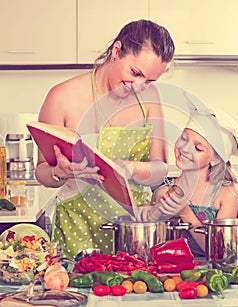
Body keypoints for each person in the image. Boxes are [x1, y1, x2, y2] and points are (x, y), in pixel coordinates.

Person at [35, 19, 175, 259]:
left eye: (150, 81)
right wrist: (61, 172)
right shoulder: (62, 97)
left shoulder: (151, 99)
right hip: (77, 228)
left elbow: (160, 169)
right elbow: (42, 172)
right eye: (135, 73)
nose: (139, 86)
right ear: (116, 51)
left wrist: (129, 168)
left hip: (135, 231)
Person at [137, 107, 238, 256]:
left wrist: (184, 211)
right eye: (183, 138)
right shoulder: (163, 192)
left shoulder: (226, 193)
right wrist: (149, 216)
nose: (185, 148)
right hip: (173, 275)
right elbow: (153, 248)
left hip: (212, 273)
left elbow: (220, 251)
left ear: (215, 159)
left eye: (197, 148)